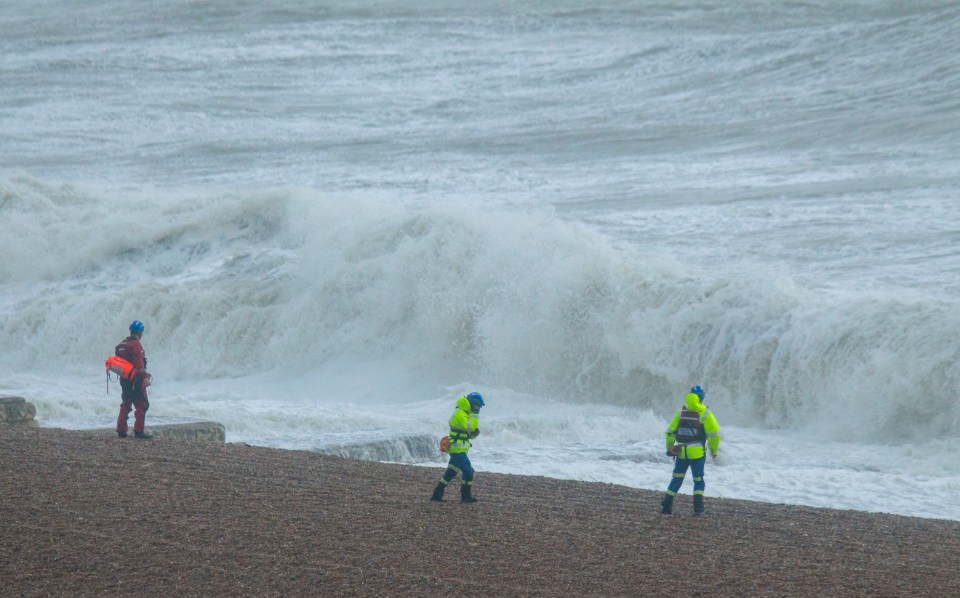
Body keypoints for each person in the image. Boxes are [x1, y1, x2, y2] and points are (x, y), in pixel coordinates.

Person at [660, 385, 720, 515]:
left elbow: (670, 433)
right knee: (698, 480)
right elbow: (714, 435)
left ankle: (666, 506)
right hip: (697, 454)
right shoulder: (705, 413)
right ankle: (698, 509)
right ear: (701, 398)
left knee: (676, 478)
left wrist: (670, 446)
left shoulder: (681, 412)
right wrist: (714, 451)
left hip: (681, 453)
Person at [430, 392, 484, 503]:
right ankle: (466, 496)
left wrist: (472, 434)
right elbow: (470, 426)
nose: (478, 409)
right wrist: (475, 415)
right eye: (477, 406)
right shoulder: (460, 413)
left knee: (452, 471)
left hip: (459, 448)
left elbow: (466, 432)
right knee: (468, 472)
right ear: (473, 404)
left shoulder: (463, 412)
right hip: (456, 449)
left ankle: (437, 493)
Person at [115, 320, 152, 439]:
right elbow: (138, 365)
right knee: (142, 404)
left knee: (126, 402)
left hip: (124, 379)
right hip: (135, 380)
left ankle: (121, 430)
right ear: (140, 332)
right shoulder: (135, 344)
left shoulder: (122, 344)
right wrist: (145, 378)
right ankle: (138, 431)